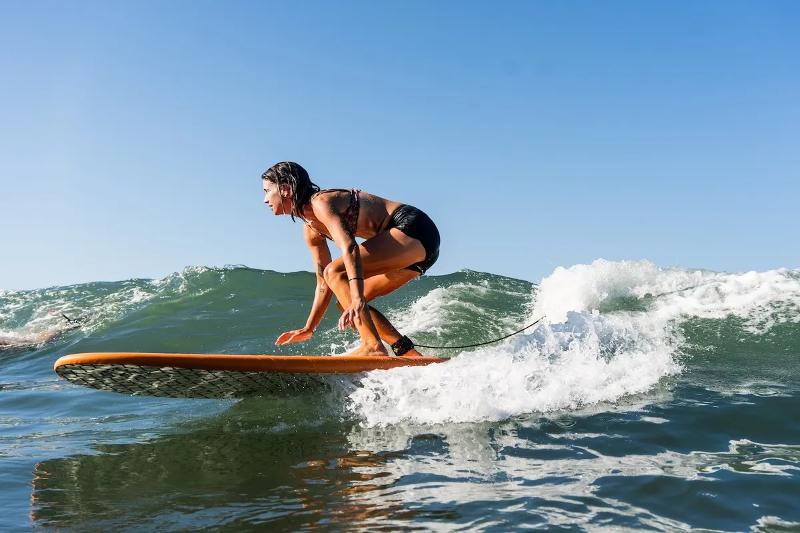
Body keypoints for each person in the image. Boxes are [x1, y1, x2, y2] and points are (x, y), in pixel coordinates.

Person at [262, 161, 440, 357]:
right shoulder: (311, 230)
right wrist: (309, 328)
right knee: (345, 301)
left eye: (267, 190)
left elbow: (348, 247)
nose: (265, 199)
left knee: (341, 280)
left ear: (285, 189)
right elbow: (323, 282)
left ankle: (372, 346)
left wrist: (358, 298)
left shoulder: (321, 202)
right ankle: (406, 352)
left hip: (413, 229)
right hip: (414, 256)